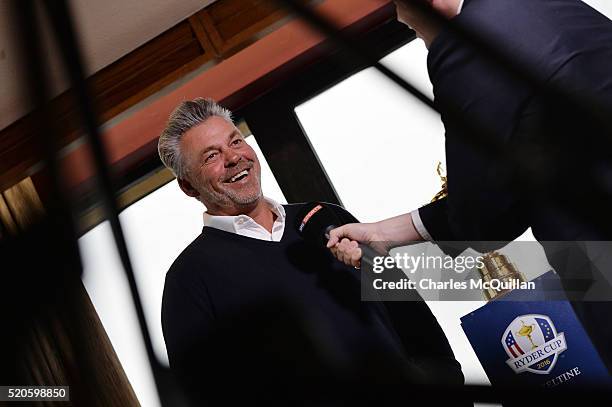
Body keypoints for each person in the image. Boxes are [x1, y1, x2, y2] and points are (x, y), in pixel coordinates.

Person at [328, 0, 612, 370]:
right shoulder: (555, 6)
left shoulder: (465, 44)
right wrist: (382, 232)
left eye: (405, 15)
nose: (400, 16)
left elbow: (484, 221)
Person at [157, 98, 464, 404]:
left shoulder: (327, 219)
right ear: (189, 186)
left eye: (235, 141)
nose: (234, 157)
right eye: (212, 156)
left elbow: (416, 322)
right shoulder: (188, 280)